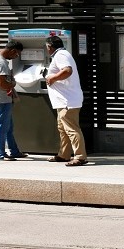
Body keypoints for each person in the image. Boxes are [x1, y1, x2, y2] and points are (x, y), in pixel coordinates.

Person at [44, 35, 87, 166]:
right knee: (62, 128)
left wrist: (52, 78)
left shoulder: (61, 55)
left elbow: (67, 71)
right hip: (62, 101)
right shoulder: (62, 54)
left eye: (47, 48)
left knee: (71, 129)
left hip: (67, 100)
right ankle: (64, 154)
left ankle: (80, 157)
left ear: (49, 46)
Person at [0, 40, 27, 161]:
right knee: (2, 127)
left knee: (8, 127)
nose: (16, 57)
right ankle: (1, 154)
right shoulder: (1, 62)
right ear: (13, 51)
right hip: (2, 99)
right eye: (17, 54)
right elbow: (2, 84)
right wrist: (12, 83)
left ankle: (14, 151)